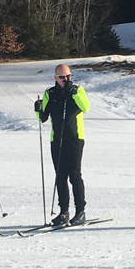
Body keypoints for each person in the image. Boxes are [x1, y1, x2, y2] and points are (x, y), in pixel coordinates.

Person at [35, 64, 90, 226]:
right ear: (55, 78)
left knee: (75, 175)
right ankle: (63, 212)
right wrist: (38, 109)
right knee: (60, 176)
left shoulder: (78, 90)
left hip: (74, 138)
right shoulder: (50, 93)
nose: (66, 80)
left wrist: (73, 93)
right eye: (62, 77)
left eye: (68, 76)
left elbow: (85, 107)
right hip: (57, 140)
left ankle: (80, 211)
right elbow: (42, 118)